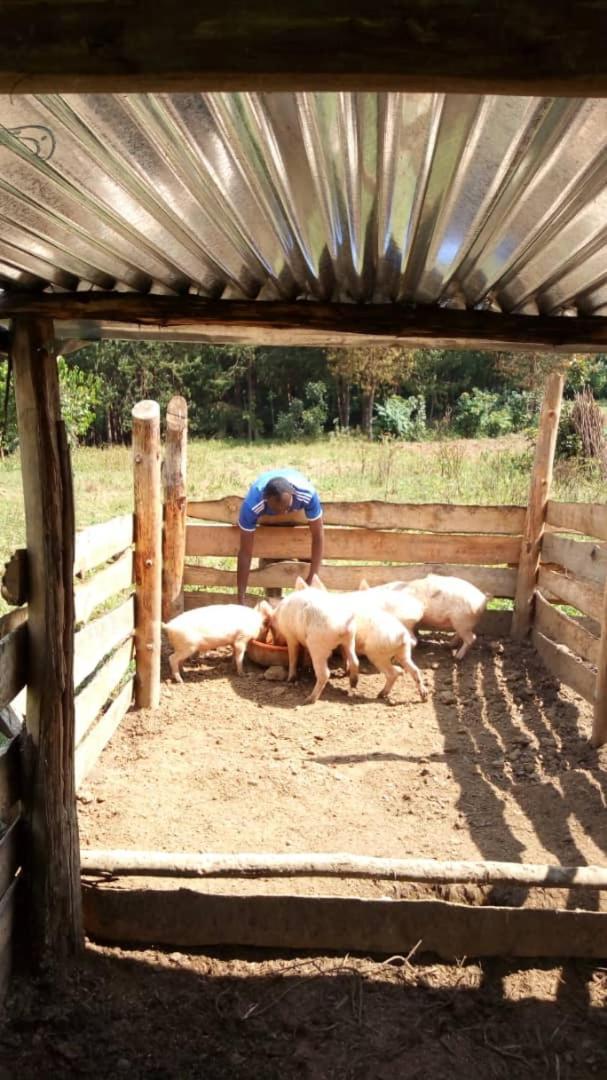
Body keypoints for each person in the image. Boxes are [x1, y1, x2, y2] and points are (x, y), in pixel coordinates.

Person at [237, 468, 324, 604]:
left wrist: (313, 576)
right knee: (271, 559)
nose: (283, 514)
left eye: (287, 508)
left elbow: (318, 535)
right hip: (269, 525)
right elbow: (245, 552)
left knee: (306, 555)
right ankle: (274, 600)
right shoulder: (252, 505)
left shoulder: (307, 494)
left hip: (299, 527)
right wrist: (241, 597)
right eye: (277, 510)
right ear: (266, 500)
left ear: (293, 494)